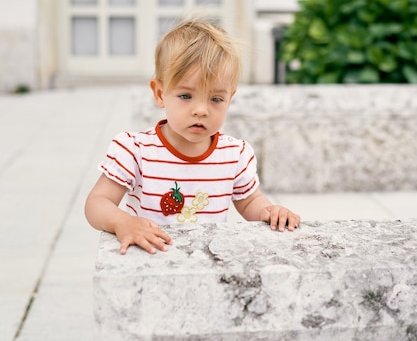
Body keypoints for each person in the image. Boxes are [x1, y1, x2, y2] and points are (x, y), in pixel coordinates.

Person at [85, 19, 300, 254]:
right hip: (152, 259)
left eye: (216, 99)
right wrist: (121, 221)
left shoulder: (234, 154)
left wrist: (269, 212)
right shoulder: (135, 150)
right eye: (186, 96)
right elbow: (97, 203)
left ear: (230, 98)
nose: (201, 110)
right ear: (160, 93)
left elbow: (249, 202)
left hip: (207, 265)